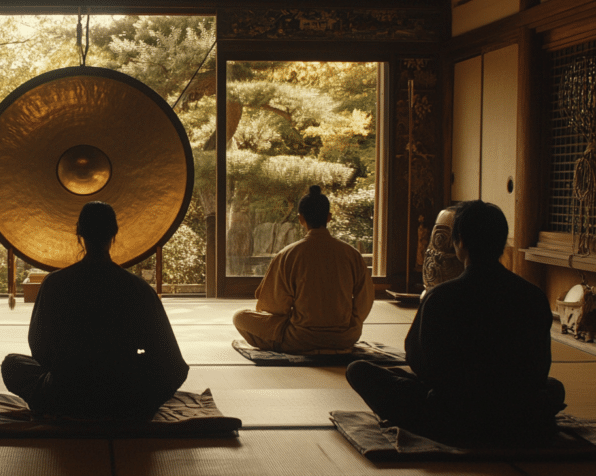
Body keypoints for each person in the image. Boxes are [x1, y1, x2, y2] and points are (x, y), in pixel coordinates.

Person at [346, 200, 566, 446]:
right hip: (518, 418)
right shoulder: (533, 295)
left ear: (458, 241)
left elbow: (419, 363)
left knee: (359, 370)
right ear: (502, 242)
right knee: (554, 388)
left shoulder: (440, 296)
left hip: (452, 420)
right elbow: (538, 369)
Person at [1, 201, 189, 420]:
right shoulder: (137, 288)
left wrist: (70, 370)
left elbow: (39, 348)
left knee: (12, 365)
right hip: (123, 395)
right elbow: (173, 363)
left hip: (65, 395)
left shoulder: (55, 284)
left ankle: (61, 407)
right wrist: (144, 399)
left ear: (79, 232)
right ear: (114, 233)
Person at [233, 185, 374, 353]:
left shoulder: (288, 254)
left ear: (300, 219)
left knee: (240, 317)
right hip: (344, 339)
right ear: (329, 217)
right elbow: (365, 299)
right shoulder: (352, 254)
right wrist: (350, 324)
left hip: (300, 339)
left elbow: (274, 307)